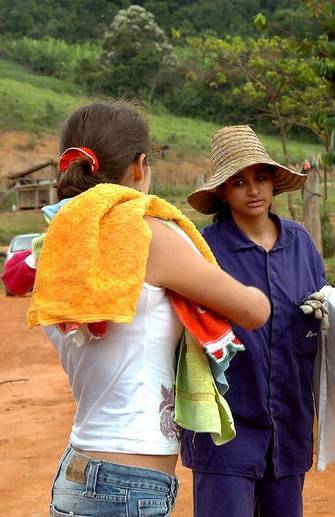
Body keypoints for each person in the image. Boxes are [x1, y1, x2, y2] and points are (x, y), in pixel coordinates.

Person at [29, 102, 271, 517]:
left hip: (80, 469)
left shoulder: (57, 244)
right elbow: (253, 310)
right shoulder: (147, 235)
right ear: (140, 167)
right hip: (127, 483)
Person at [181, 125, 327, 517]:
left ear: (274, 183)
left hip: (290, 418)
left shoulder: (301, 243)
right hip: (224, 425)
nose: (253, 190)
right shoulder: (203, 250)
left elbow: (322, 309)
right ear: (222, 192)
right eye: (239, 181)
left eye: (260, 177)